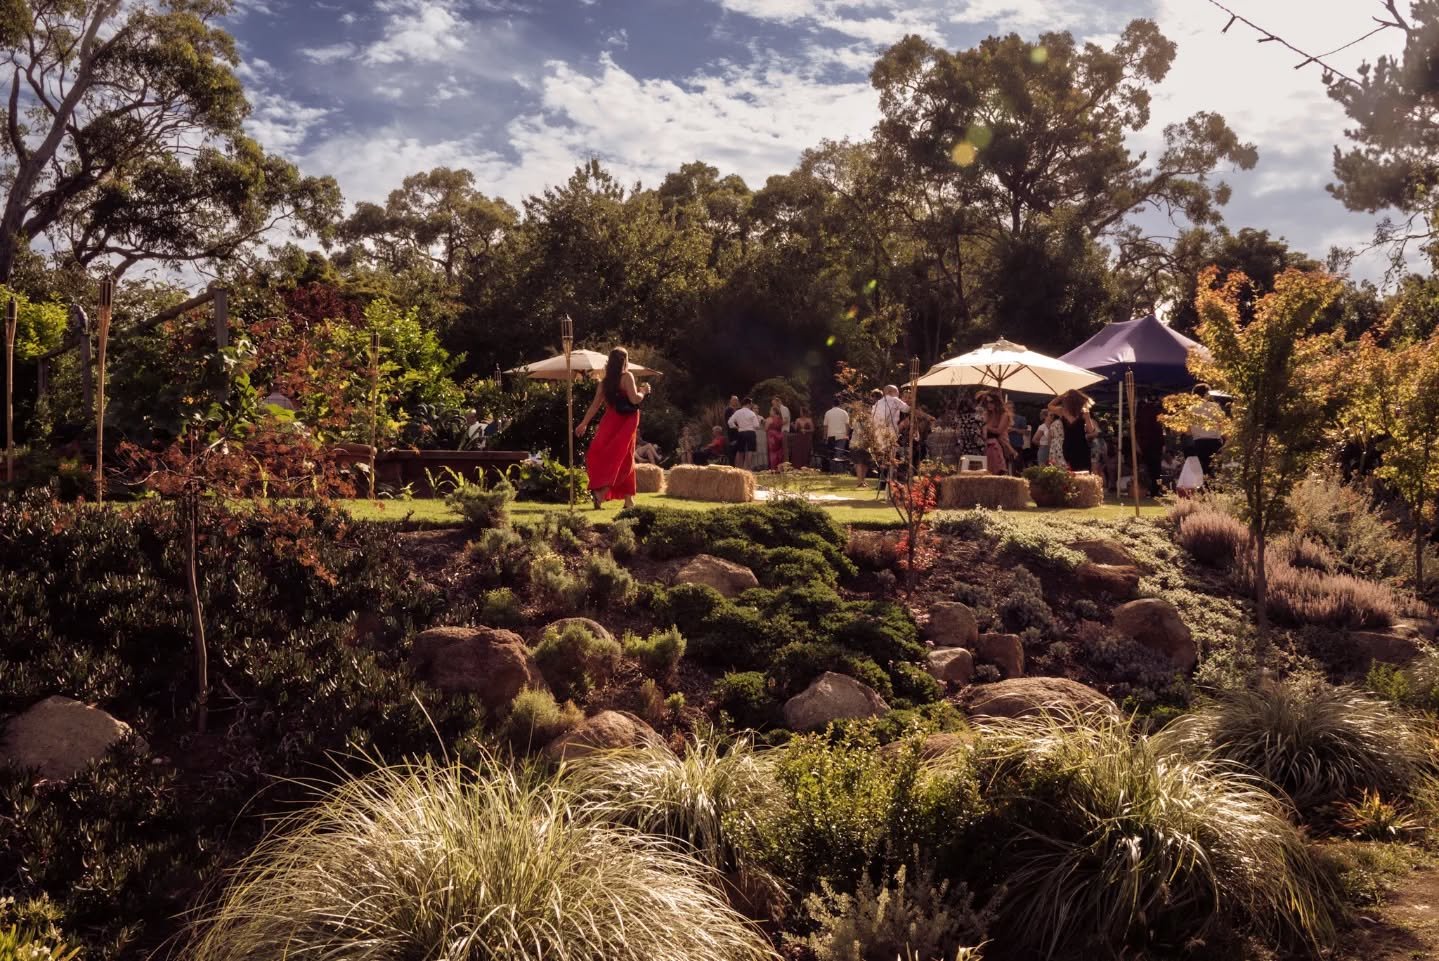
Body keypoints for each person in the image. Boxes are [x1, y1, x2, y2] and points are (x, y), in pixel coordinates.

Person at [576, 347, 650, 509]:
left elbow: (594, 406)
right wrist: (643, 391)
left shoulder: (605, 383)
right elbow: (634, 399)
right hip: (626, 421)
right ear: (625, 361)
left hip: (609, 421)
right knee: (624, 458)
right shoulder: (627, 377)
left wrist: (584, 423)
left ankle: (628, 499)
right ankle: (601, 494)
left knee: (612, 456)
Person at [1047, 389, 1097, 473]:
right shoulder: (1083, 413)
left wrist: (1061, 395)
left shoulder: (1062, 411)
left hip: (1067, 446)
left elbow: (1049, 405)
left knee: (1070, 473)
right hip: (1081, 446)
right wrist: (1087, 417)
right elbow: (1091, 431)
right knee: (1083, 472)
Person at [1189, 383, 1225, 476]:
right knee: (1216, 470)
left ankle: (1206, 488)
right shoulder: (1215, 406)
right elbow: (1222, 424)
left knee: (1204, 470)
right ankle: (1216, 489)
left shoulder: (1191, 409)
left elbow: (1188, 430)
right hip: (1214, 442)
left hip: (1199, 443)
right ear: (1207, 393)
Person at [1136, 392, 1165, 497]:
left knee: (1148, 469)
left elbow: (1137, 430)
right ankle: (1156, 489)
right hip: (1154, 445)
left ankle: (1149, 489)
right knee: (1156, 470)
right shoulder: (1157, 412)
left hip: (1146, 445)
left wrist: (1137, 444)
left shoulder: (1141, 412)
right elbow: (1160, 430)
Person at [980, 391, 1016, 475]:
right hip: (987, 445)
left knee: (998, 472)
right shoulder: (987, 414)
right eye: (987, 402)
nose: (989, 404)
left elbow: (999, 431)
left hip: (1000, 444)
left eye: (991, 402)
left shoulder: (1004, 415)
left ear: (997, 402)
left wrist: (986, 427)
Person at [727, 396, 763, 468]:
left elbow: (730, 422)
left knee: (740, 451)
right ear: (749, 404)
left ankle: (738, 468)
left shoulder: (737, 412)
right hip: (750, 432)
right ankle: (747, 468)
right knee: (749, 451)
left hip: (741, 432)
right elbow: (756, 425)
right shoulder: (752, 413)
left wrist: (736, 427)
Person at [823, 396, 850, 471]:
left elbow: (825, 426)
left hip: (831, 435)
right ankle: (839, 470)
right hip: (842, 435)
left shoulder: (828, 412)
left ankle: (832, 470)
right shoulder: (844, 413)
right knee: (839, 453)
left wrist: (825, 436)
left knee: (831, 453)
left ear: (832, 404)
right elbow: (847, 425)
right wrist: (847, 435)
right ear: (839, 404)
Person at [766, 398, 786, 469]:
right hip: (779, 436)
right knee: (779, 452)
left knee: (772, 452)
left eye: (770, 410)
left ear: (774, 411)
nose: (769, 412)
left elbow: (766, 428)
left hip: (772, 437)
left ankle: (773, 467)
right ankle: (780, 467)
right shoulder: (780, 419)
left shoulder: (769, 419)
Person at [724, 394, 741, 460]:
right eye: (734, 400)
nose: (735, 401)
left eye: (736, 400)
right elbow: (728, 422)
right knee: (733, 448)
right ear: (730, 401)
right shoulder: (728, 410)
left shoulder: (739, 410)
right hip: (732, 433)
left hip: (740, 432)